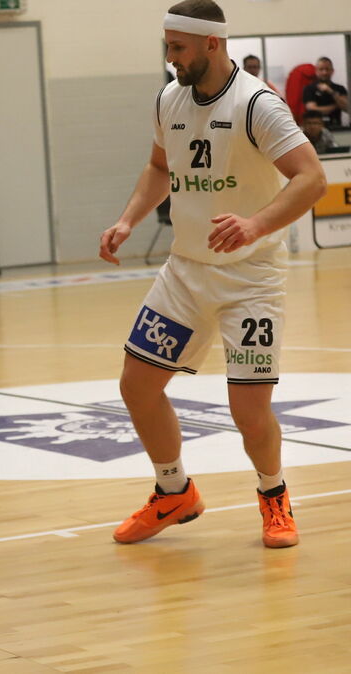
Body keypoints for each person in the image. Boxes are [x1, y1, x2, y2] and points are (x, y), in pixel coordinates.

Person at [98, 0, 325, 549]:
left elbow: (311, 178)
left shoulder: (257, 104)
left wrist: (256, 224)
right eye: (167, 46)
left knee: (249, 411)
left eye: (178, 47)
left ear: (212, 44)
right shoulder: (168, 99)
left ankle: (274, 495)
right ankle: (174, 491)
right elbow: (159, 167)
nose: (170, 57)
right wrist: (128, 219)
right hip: (185, 272)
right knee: (137, 385)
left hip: (251, 279)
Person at [302, 57, 349, 129]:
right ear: (316, 71)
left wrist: (331, 91)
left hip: (336, 127)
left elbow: (347, 108)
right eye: (321, 69)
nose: (324, 72)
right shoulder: (309, 88)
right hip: (316, 130)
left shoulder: (340, 88)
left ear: (332, 71)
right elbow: (312, 109)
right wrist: (336, 105)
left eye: (327, 69)